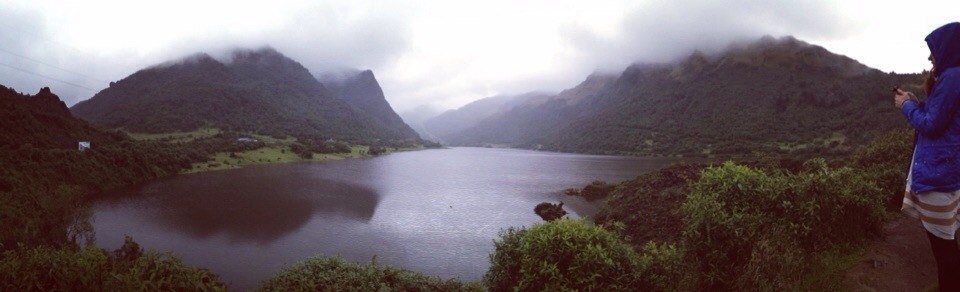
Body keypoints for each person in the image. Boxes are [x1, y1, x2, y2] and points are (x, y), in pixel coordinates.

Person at [897, 22, 960, 292]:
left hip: (939, 175)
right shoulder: (953, 76)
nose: (930, 56)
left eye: (933, 49)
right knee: (948, 246)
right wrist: (918, 103)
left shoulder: (952, 77)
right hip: (948, 171)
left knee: (944, 252)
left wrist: (906, 106)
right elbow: (943, 117)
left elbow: (932, 125)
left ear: (947, 48)